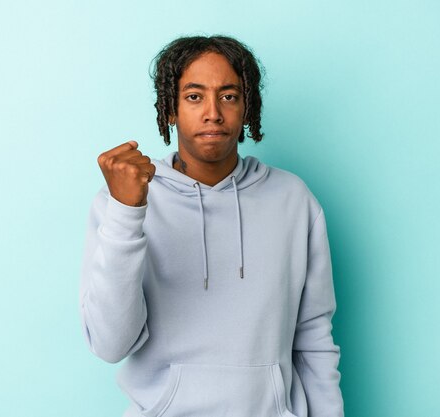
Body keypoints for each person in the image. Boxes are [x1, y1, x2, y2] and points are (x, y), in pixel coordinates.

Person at [79, 35, 344, 417]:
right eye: (194, 96)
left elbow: (314, 337)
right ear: (170, 109)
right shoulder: (123, 200)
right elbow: (110, 345)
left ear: (247, 107)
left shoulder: (293, 200)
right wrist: (126, 211)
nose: (213, 113)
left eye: (229, 96)